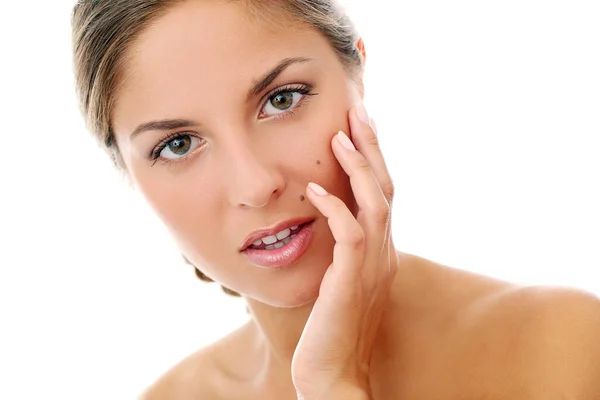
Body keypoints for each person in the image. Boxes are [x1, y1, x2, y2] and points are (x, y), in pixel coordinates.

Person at [70, 0, 600, 398]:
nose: (255, 186)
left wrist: (334, 384)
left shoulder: (561, 347)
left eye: (282, 99)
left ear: (357, 74)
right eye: (177, 144)